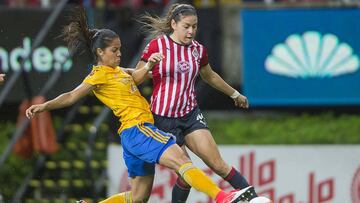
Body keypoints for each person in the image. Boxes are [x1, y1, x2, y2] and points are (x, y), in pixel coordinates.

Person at [25, 7, 255, 203]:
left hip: (132, 135)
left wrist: (147, 67)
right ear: (99, 52)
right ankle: (223, 197)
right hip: (140, 129)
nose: (119, 54)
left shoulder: (118, 71)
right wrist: (44, 106)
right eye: (114, 50)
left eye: (120, 49)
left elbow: (136, 75)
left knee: (139, 197)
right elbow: (71, 96)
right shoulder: (97, 77)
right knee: (183, 162)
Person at [134, 3, 260, 203]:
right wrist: (149, 65)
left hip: (190, 115)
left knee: (218, 165)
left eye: (195, 26)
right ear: (174, 24)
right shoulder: (157, 45)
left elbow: (209, 76)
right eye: (186, 26)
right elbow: (137, 78)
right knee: (187, 174)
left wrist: (235, 94)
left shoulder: (198, 50)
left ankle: (254, 199)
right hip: (163, 119)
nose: (191, 31)